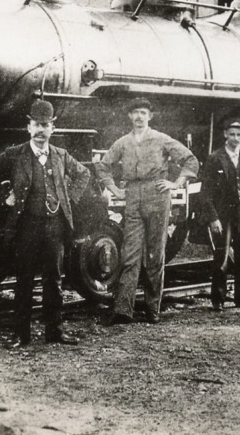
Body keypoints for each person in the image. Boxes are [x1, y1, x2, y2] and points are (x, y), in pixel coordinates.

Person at [0, 100, 91, 348]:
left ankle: (55, 332)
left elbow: (84, 173)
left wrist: (68, 198)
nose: (41, 130)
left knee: (54, 281)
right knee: (25, 280)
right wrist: (4, 197)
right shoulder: (15, 154)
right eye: (36, 125)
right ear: (28, 128)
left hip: (54, 227)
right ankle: (22, 335)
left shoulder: (61, 156)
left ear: (52, 129)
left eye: (45, 125)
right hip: (26, 227)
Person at [95, 98, 199, 324]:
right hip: (132, 196)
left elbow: (190, 160)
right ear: (130, 117)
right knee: (130, 254)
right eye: (135, 113)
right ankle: (123, 310)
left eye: (143, 113)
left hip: (158, 195)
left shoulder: (161, 139)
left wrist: (176, 183)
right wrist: (114, 188)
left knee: (155, 254)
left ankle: (153, 309)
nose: (139, 117)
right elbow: (103, 166)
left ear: (150, 116)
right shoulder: (123, 142)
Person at [198, 118, 240, 311]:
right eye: (232, 134)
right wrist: (213, 217)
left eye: (239, 134)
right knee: (222, 255)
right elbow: (205, 192)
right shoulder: (215, 157)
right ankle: (218, 299)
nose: (235, 138)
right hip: (222, 213)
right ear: (225, 134)